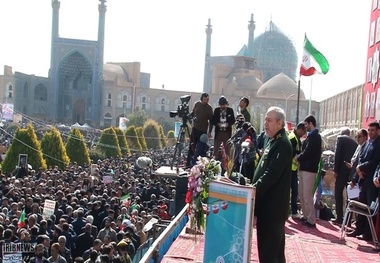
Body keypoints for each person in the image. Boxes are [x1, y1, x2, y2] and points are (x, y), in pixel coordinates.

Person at [252, 106, 292, 263]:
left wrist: (254, 189)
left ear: (280, 123)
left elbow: (272, 174)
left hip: (273, 208)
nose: (265, 124)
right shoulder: (273, 140)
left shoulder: (282, 143)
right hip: (267, 206)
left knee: (269, 254)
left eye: (269, 120)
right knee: (274, 253)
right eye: (265, 120)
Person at [347, 122, 380, 240]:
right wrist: (358, 171)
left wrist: (361, 168)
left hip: (372, 182)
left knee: (370, 208)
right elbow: (360, 158)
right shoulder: (366, 144)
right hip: (362, 179)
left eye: (373, 130)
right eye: (369, 130)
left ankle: (367, 233)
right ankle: (358, 229)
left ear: (377, 131)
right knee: (360, 206)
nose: (370, 132)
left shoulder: (378, 144)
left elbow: (375, 161)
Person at [295, 114, 322, 228]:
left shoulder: (315, 136)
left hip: (309, 169)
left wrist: (298, 157)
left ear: (311, 123)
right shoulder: (311, 136)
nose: (305, 127)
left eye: (306, 124)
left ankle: (311, 219)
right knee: (301, 193)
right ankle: (306, 216)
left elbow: (309, 152)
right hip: (304, 168)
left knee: (307, 195)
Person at [332, 128, 357, 225]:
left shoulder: (340, 139)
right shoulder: (354, 143)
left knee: (338, 193)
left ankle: (339, 217)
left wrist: (335, 170)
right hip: (350, 172)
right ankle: (348, 219)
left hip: (341, 171)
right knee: (350, 196)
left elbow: (337, 155)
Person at [186, 93, 213, 167]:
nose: (206, 101)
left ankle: (200, 165)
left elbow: (211, 121)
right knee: (191, 147)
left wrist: (209, 132)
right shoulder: (197, 104)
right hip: (195, 129)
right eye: (204, 99)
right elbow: (193, 113)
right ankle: (189, 164)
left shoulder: (209, 108)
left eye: (207, 99)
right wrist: (189, 117)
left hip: (203, 131)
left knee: (201, 148)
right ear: (201, 99)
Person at [288, 122, 306, 219]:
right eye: (304, 131)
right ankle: (292, 211)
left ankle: (293, 211)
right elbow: (291, 153)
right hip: (290, 169)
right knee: (292, 191)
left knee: (294, 191)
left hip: (293, 169)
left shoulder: (296, 138)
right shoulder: (292, 138)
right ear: (300, 129)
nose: (304, 134)